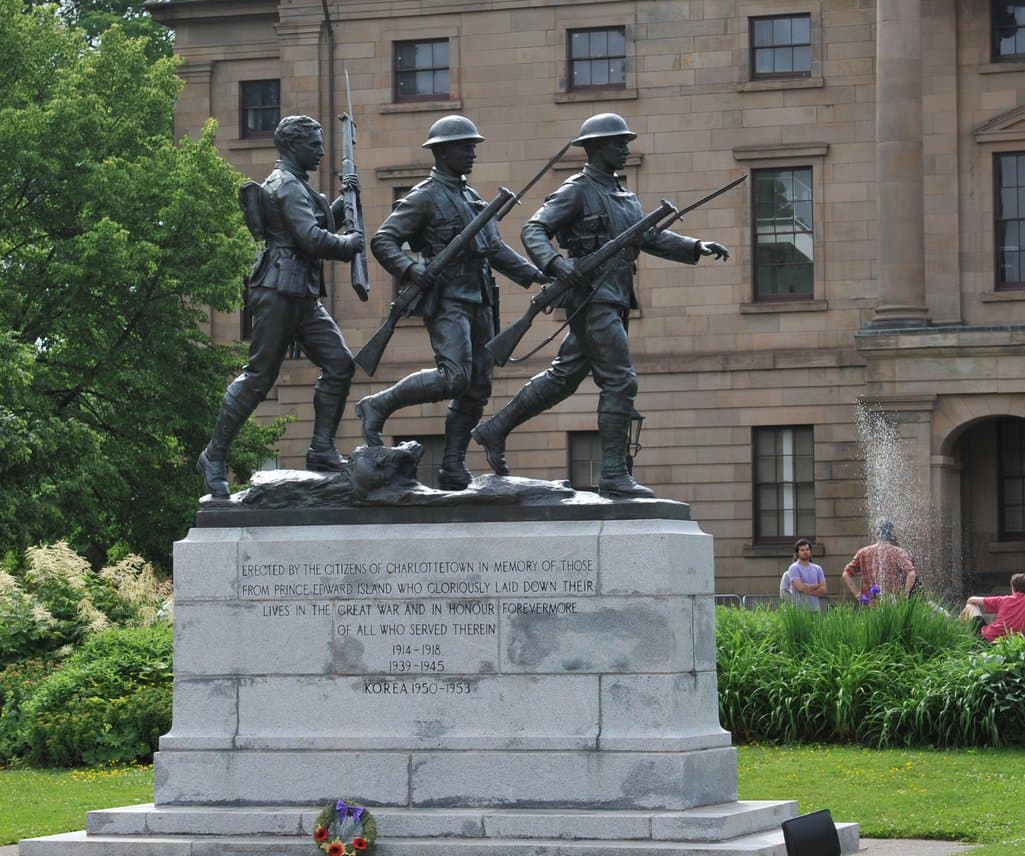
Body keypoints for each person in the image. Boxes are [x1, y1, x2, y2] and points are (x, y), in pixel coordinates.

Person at [470, 113, 730, 497]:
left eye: (625, 142)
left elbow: (650, 236)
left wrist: (695, 246)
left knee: (564, 376)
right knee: (620, 380)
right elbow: (534, 229)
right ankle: (612, 473)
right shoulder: (576, 190)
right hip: (591, 300)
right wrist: (558, 264)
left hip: (616, 298)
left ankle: (495, 428)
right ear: (596, 148)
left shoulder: (625, 195)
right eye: (618, 143)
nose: (625, 148)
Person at [354, 117, 548, 490]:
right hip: (447, 300)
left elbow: (494, 249)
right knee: (454, 376)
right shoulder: (425, 195)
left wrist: (537, 275)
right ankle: (378, 404)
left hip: (479, 299)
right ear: (443, 152)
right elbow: (384, 240)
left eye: (473, 146)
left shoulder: (472, 198)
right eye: (465, 147)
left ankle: (453, 467)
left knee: (476, 388)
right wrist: (411, 268)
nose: (472, 153)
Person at [197, 114, 365, 498]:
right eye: (315, 144)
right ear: (292, 146)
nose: (322, 150)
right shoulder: (286, 185)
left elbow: (313, 223)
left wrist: (344, 203)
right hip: (277, 287)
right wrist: (349, 244)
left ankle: (321, 448)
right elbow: (309, 238)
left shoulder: (299, 187)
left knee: (340, 364)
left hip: (301, 292)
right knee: (259, 376)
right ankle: (214, 456)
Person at [841, 518, 917, 603]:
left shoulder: (863, 552)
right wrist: (905, 595)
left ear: (876, 533)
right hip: (893, 603)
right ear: (891, 533)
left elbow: (846, 574)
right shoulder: (898, 552)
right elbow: (911, 573)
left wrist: (858, 595)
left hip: (869, 604)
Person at [965, 573, 1025, 641]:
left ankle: (963, 634)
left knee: (970, 606)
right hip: (1012, 643)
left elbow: (971, 599)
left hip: (987, 639)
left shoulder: (1003, 600)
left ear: (1012, 587)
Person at [779, 538, 827, 610]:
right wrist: (817, 586)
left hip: (815, 609)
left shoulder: (818, 568)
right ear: (797, 553)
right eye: (802, 550)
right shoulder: (794, 568)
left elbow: (823, 589)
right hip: (800, 610)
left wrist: (808, 591)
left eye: (807, 549)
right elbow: (801, 588)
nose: (805, 552)